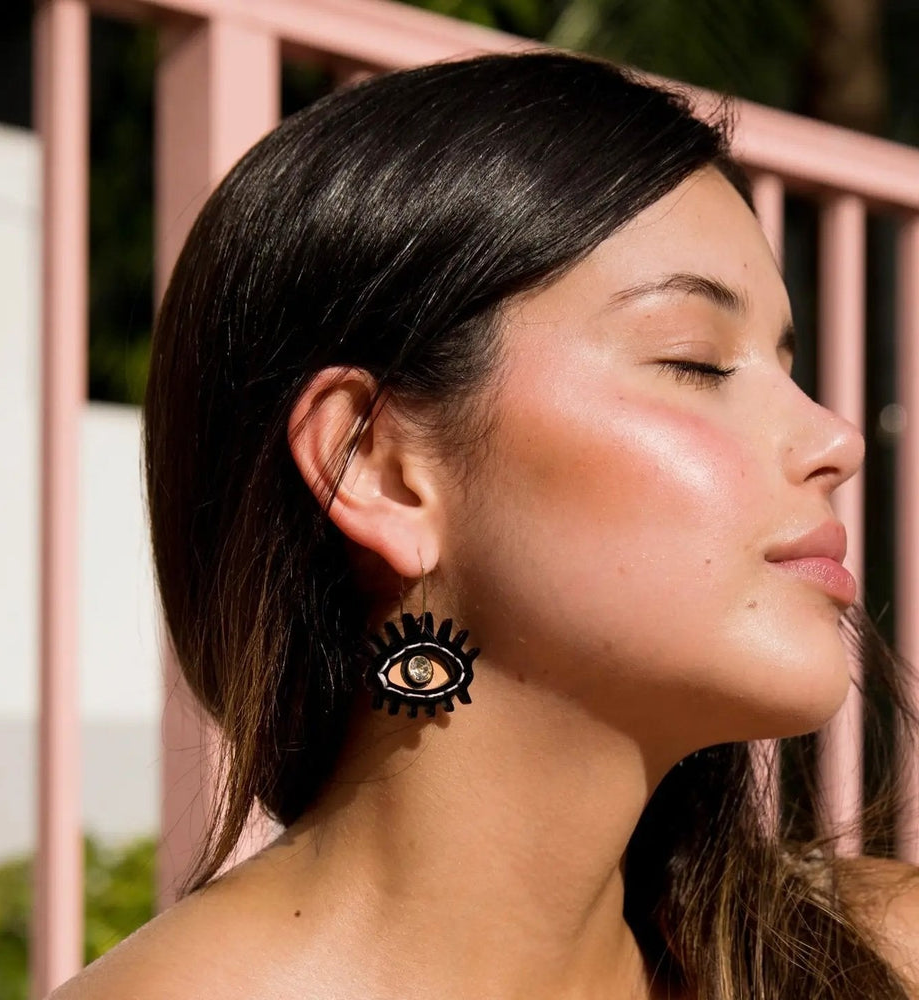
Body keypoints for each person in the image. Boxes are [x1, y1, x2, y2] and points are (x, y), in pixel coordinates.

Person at [53, 51, 919, 999]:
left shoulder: (871, 956)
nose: (836, 439)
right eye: (695, 361)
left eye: (786, 368)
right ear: (377, 468)